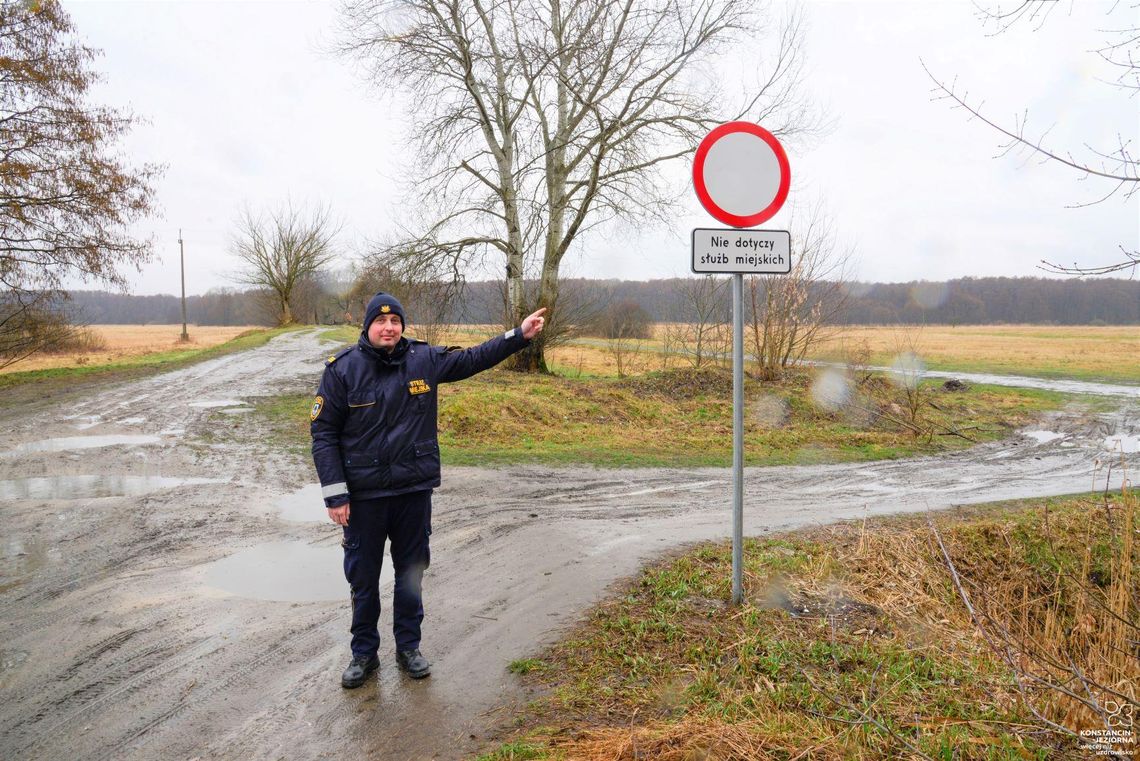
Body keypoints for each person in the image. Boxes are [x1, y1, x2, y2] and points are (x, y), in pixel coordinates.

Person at [310, 291, 546, 688]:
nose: (389, 328)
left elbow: (473, 358)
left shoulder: (423, 359)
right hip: (364, 499)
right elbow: (323, 435)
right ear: (367, 327)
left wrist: (518, 335)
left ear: (403, 325)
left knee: (411, 575)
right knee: (363, 579)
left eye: (395, 321)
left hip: (412, 493)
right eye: (381, 322)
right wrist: (336, 495)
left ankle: (409, 648)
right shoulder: (342, 371)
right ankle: (363, 653)